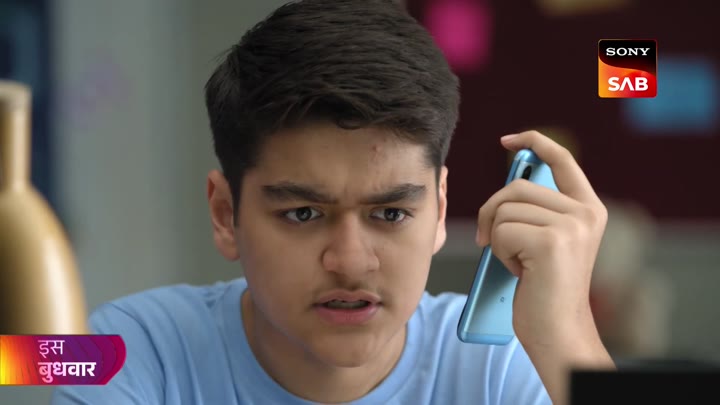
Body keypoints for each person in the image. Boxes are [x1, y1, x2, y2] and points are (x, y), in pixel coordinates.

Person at [51, 0, 615, 404]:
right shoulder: (126, 346)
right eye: (303, 214)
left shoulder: (508, 364)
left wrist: (567, 330)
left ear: (440, 211)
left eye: (390, 213)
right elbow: (18, 361)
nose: (350, 262)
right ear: (225, 214)